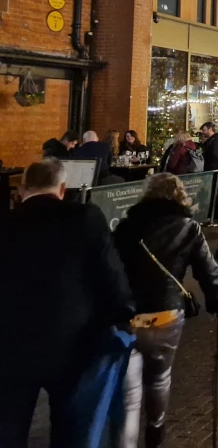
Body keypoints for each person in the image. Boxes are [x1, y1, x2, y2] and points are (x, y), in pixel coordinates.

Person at [0, 159, 133, 446]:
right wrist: (123, 315)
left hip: (11, 343)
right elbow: (110, 274)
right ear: (62, 188)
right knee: (72, 426)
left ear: (22, 189)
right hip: (74, 340)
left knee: (8, 426)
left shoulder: (6, 223)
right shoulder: (86, 217)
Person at [113, 173, 218, 448]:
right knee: (160, 377)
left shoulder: (127, 227)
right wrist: (216, 300)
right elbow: (207, 269)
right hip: (166, 312)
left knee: (129, 393)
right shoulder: (188, 227)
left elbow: (111, 270)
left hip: (130, 314)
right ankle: (155, 432)